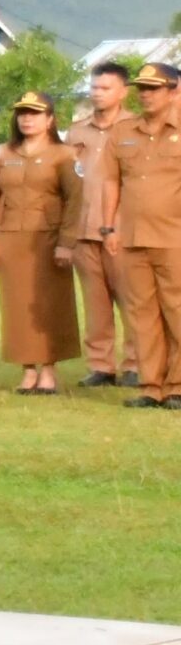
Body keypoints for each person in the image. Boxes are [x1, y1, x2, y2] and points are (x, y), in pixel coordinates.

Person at [100, 61, 181, 411]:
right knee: (143, 315)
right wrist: (108, 226)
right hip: (133, 237)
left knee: (176, 311)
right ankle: (151, 386)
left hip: (174, 236)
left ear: (173, 91)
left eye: (154, 88)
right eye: (142, 88)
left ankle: (177, 386)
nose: (146, 94)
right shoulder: (123, 131)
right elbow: (111, 181)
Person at [0, 92, 83, 395]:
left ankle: (48, 370)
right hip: (10, 239)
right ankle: (27, 370)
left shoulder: (64, 154)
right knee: (16, 306)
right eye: (22, 113)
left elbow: (75, 200)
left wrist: (67, 242)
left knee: (49, 305)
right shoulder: (3, 154)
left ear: (50, 119)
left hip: (48, 239)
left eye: (34, 113)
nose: (27, 119)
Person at [67, 61, 140, 388]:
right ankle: (101, 366)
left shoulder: (136, 129)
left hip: (123, 231)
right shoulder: (77, 131)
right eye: (94, 87)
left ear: (123, 92)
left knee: (133, 302)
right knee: (95, 306)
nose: (98, 93)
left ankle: (137, 363)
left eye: (106, 88)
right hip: (84, 230)